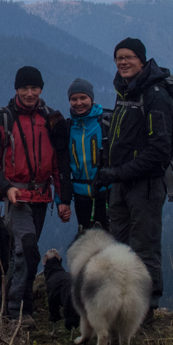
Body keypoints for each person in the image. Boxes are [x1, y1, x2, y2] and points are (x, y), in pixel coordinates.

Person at [0, 65, 72, 321]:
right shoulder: (3, 118)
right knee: (25, 249)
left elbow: (60, 162)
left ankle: (24, 307)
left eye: (34, 88)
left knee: (28, 253)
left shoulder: (52, 119)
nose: (30, 93)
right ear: (16, 89)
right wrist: (6, 187)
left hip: (42, 197)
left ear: (41, 89)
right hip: (17, 197)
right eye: (24, 88)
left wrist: (64, 200)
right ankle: (13, 313)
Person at [92, 38, 173, 316]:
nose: (123, 62)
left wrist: (116, 173)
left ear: (142, 60)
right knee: (120, 248)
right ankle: (124, 306)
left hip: (147, 186)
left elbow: (159, 150)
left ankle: (146, 309)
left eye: (128, 57)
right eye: (118, 58)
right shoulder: (125, 92)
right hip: (120, 185)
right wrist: (106, 174)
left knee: (144, 248)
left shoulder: (154, 95)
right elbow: (118, 140)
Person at [65, 77, 111, 232]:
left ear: (91, 99)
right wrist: (61, 200)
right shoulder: (67, 128)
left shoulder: (105, 122)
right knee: (87, 241)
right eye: (74, 99)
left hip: (107, 193)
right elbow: (61, 166)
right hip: (80, 196)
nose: (79, 103)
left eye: (83, 98)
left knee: (111, 240)